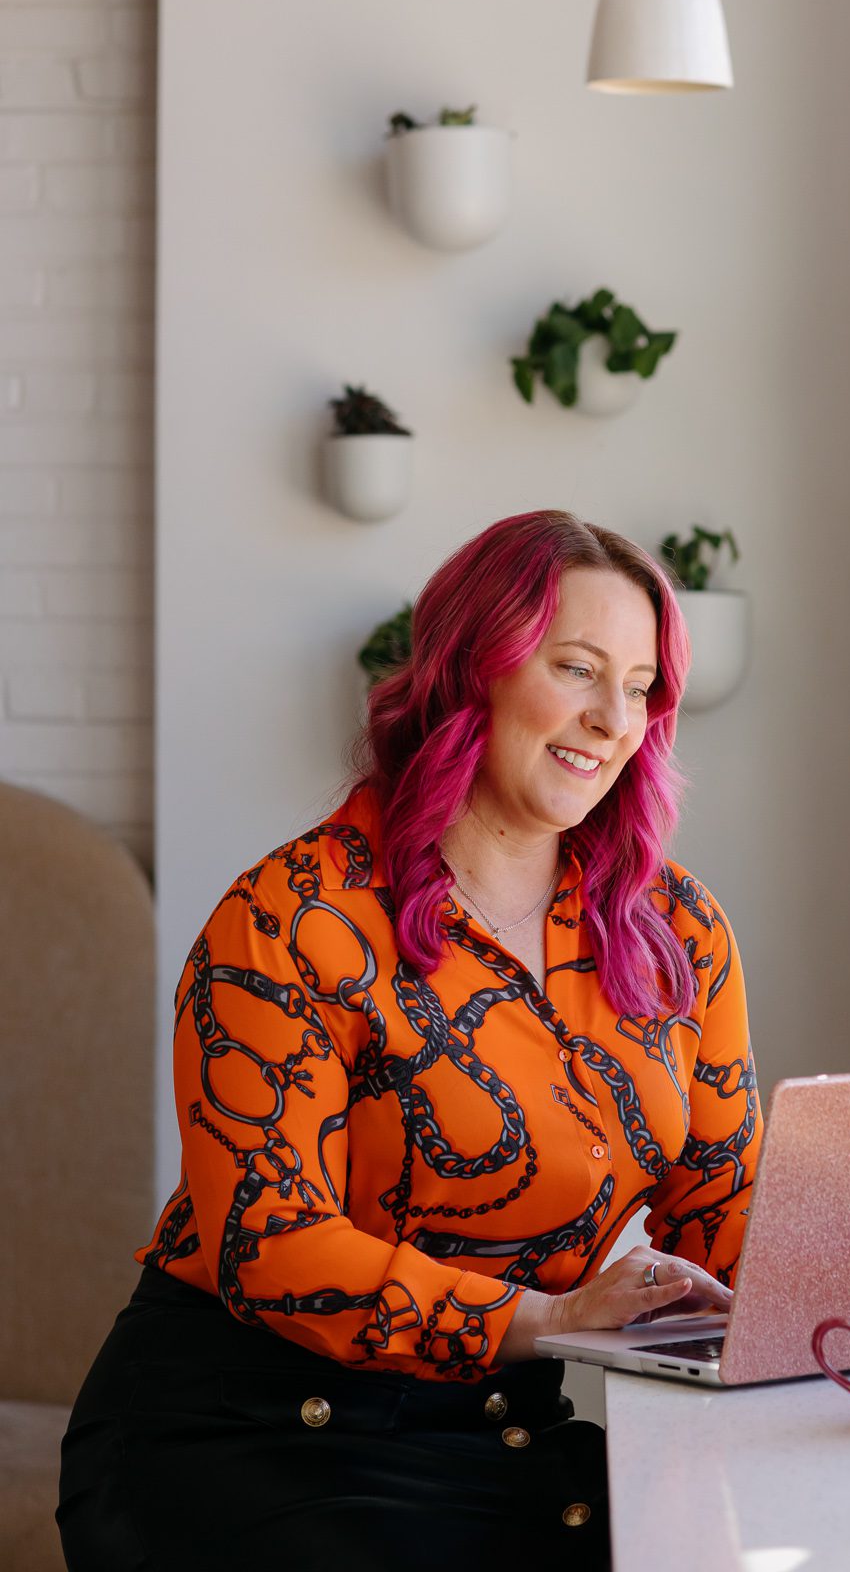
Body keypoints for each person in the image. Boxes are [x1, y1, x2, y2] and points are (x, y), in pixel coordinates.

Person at [57, 511, 762, 1571]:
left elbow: (723, 1211)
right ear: (473, 666)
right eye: (576, 668)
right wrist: (555, 1316)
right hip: (243, 1424)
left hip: (496, 1431)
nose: (613, 718)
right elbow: (272, 1247)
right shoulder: (293, 916)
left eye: (641, 685)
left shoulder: (678, 933)